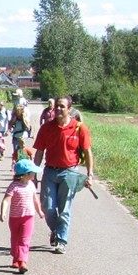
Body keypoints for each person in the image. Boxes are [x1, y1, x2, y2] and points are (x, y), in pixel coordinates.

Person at [32, 97, 94, 254]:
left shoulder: (79, 128)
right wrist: (34, 173)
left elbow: (87, 152)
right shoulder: (46, 128)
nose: (58, 109)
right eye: (57, 106)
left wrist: (90, 174)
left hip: (70, 172)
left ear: (69, 109)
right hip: (50, 171)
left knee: (64, 208)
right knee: (47, 207)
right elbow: (39, 152)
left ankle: (61, 241)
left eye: (62, 106)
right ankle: (56, 229)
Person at [0, 159, 45, 274]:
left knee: (24, 239)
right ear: (25, 174)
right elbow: (6, 200)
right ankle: (16, 258)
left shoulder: (31, 185)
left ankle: (23, 262)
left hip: (28, 217)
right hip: (15, 218)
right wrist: (3, 212)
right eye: (32, 172)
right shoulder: (14, 186)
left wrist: (39, 211)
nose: (34, 174)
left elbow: (35, 199)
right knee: (15, 239)